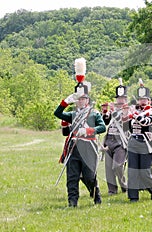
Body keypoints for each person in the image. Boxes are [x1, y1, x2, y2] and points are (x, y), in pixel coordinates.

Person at [54, 58, 106, 207]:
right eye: (78, 99)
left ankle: (96, 196)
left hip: (88, 147)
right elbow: (57, 113)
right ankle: (72, 202)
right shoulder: (72, 114)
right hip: (74, 147)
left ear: (87, 100)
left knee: (89, 176)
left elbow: (102, 128)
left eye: (83, 98)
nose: (81, 101)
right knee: (72, 176)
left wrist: (89, 130)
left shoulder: (94, 113)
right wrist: (65, 102)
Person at [122, 79, 152, 202]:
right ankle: (133, 196)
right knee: (132, 171)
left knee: (145, 171)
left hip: (146, 143)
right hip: (133, 142)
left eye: (145, 99)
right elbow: (126, 127)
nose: (142, 101)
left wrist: (134, 114)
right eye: (140, 99)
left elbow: (145, 123)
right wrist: (125, 114)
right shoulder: (135, 111)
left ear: (149, 101)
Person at [101, 78, 128, 195]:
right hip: (109, 140)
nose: (120, 100)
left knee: (117, 166)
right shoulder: (113, 110)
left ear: (126, 99)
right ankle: (112, 190)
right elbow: (106, 122)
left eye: (122, 98)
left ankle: (124, 185)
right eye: (118, 98)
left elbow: (124, 120)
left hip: (120, 142)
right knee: (108, 168)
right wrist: (104, 112)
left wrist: (113, 110)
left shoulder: (128, 109)